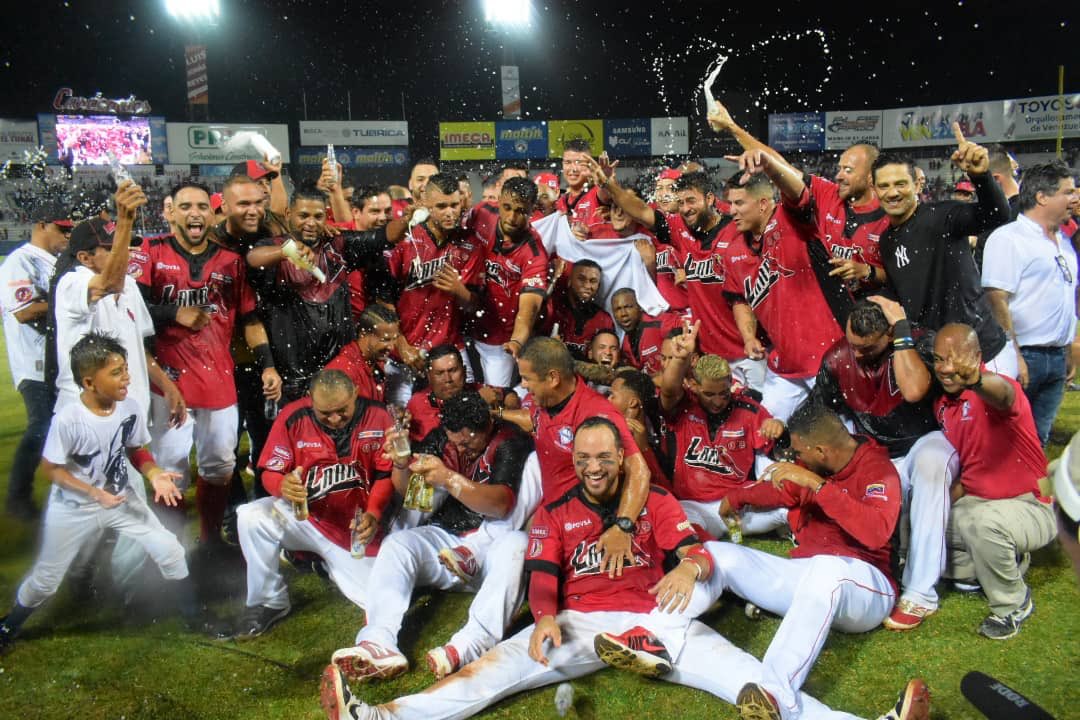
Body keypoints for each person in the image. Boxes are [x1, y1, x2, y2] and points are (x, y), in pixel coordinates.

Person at [319, 417, 928, 720]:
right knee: (488, 674)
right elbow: (541, 575)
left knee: (756, 686)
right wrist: (545, 617)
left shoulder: (655, 502)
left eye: (604, 458)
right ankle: (376, 716)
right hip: (581, 625)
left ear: (619, 458)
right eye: (583, 457)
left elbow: (692, 546)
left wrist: (690, 568)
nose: (593, 467)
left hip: (659, 623)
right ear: (575, 460)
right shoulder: (555, 514)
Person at [0, 333, 213, 653]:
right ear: (89, 382)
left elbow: (134, 449)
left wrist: (154, 474)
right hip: (74, 507)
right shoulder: (69, 419)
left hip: (120, 500)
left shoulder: (128, 407)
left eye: (126, 368)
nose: (127, 377)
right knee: (46, 578)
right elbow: (52, 470)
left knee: (169, 549)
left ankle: (195, 618)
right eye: (116, 372)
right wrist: (93, 493)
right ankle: (8, 625)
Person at [709, 402, 902, 720]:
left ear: (822, 451)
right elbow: (780, 491)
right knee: (719, 554)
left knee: (829, 568)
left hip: (866, 587)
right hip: (813, 579)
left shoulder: (878, 470)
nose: (796, 458)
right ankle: (660, 632)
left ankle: (774, 691)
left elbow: (875, 532)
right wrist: (738, 496)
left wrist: (817, 485)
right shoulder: (816, 466)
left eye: (801, 451)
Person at [329, 390, 534, 682]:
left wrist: (449, 478)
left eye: (467, 442)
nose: (461, 449)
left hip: (491, 552)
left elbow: (500, 504)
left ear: (486, 427)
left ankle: (467, 645)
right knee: (398, 545)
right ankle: (378, 643)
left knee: (518, 546)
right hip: (447, 544)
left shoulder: (509, 440)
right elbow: (408, 492)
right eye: (455, 442)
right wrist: (401, 463)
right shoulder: (443, 438)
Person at [134, 181, 281, 546]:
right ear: (170, 212)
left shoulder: (230, 262)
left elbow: (249, 319)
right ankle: (171, 549)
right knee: (171, 472)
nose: (195, 213)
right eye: (185, 207)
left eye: (202, 206)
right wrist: (173, 312)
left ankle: (210, 542)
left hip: (218, 381)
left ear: (211, 213)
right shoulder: (150, 253)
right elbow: (129, 312)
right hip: (167, 383)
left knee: (220, 468)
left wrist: (266, 364)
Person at [810, 298, 958, 631]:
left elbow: (915, 389)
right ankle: (876, 578)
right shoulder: (837, 358)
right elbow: (822, 413)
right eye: (853, 344)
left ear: (889, 334)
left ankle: (921, 594)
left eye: (867, 347)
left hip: (927, 440)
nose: (857, 353)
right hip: (877, 452)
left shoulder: (917, 341)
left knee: (932, 466)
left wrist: (902, 331)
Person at [231, 370, 395, 638]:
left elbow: (386, 475)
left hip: (353, 529)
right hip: (307, 518)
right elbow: (269, 471)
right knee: (251, 516)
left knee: (382, 599)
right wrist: (280, 485)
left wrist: (374, 512)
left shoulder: (378, 416)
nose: (334, 419)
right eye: (324, 412)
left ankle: (321, 562)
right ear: (311, 400)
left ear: (355, 392)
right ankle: (268, 601)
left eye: (341, 410)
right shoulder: (293, 416)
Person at [931, 324, 1056, 639]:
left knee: (985, 525)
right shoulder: (943, 407)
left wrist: (975, 380)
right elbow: (971, 467)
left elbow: (1003, 394)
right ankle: (1001, 563)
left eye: (955, 359)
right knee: (918, 528)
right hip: (978, 504)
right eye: (938, 359)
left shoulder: (998, 389)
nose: (946, 368)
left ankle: (1013, 604)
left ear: (976, 357)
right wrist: (931, 508)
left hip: (1032, 505)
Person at [593, 162, 754, 387]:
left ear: (709, 199)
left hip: (748, 349)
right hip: (710, 351)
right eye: (680, 203)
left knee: (763, 414)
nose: (685, 208)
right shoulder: (679, 229)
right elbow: (640, 211)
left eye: (691, 201)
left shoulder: (738, 230)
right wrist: (609, 185)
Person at [872, 124, 1015, 377]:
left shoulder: (943, 215)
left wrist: (981, 177)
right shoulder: (886, 240)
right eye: (884, 186)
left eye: (900, 184)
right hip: (939, 358)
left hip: (982, 352)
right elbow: (903, 292)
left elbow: (997, 215)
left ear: (918, 185)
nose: (892, 192)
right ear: (875, 191)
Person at [708, 100, 890, 293]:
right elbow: (783, 167)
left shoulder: (889, 217)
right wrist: (733, 128)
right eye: (839, 169)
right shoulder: (827, 193)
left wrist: (867, 271)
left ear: (871, 176)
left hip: (869, 311)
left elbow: (899, 277)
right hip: (825, 307)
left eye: (848, 170)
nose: (839, 175)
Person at [247, 183, 407, 402]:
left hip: (339, 370)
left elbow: (382, 237)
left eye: (318, 216)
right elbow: (253, 258)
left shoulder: (338, 245)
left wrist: (407, 220)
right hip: (291, 379)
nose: (311, 223)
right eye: (303, 215)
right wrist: (284, 252)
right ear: (288, 213)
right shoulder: (274, 247)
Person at [720, 160, 845, 422]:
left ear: (764, 203)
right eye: (730, 204)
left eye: (739, 203)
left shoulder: (793, 221)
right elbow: (739, 299)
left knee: (841, 436)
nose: (731, 211)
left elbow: (797, 190)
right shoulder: (733, 252)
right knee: (764, 433)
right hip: (784, 363)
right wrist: (748, 336)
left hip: (826, 357)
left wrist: (766, 163)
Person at [517, 337, 650, 572]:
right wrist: (496, 413)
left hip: (585, 521)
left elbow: (638, 470)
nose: (523, 385)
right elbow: (536, 422)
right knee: (517, 548)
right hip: (551, 510)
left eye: (527, 379)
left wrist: (623, 526)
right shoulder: (545, 399)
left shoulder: (596, 413)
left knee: (527, 561)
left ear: (553, 378)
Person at [657, 319, 786, 540]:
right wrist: (679, 359)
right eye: (709, 394)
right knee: (682, 530)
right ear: (694, 386)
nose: (718, 401)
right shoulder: (683, 406)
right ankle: (712, 552)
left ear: (730, 383)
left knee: (788, 509)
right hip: (694, 506)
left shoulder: (749, 410)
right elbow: (668, 392)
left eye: (723, 393)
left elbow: (777, 458)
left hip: (739, 505)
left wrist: (779, 426)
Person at [982, 162, 1078, 445]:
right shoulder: (1009, 238)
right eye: (1067, 192)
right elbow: (995, 297)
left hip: (1055, 356)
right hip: (1023, 354)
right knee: (1008, 439)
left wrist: (1069, 347)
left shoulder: (1063, 241)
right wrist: (1013, 355)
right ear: (1042, 197)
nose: (1075, 198)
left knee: (1039, 440)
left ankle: (1033, 490)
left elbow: (1067, 296)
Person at [382, 173, 486, 402]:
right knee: (399, 423)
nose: (450, 212)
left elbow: (475, 306)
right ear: (425, 204)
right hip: (404, 353)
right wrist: (401, 344)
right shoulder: (405, 240)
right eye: (441, 206)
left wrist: (460, 291)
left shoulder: (470, 244)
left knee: (461, 416)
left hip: (450, 352)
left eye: (454, 205)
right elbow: (382, 299)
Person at [0, 200, 71, 518]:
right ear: (41, 225)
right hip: (34, 361)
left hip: (59, 360)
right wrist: (68, 299)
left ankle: (69, 494)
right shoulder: (20, 261)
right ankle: (18, 499)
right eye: (62, 228)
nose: (67, 234)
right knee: (41, 426)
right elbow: (25, 311)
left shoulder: (55, 260)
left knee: (64, 428)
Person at [469, 176, 549, 387]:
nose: (512, 217)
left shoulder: (535, 253)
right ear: (499, 201)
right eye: (507, 207)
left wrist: (516, 341)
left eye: (521, 211)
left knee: (496, 398)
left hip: (499, 342)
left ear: (533, 210)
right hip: (463, 327)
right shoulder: (482, 213)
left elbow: (528, 309)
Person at [539, 259, 616, 361]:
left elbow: (608, 360)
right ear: (569, 281)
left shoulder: (605, 320)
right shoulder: (553, 308)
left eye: (593, 281)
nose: (588, 286)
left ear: (598, 286)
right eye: (581, 279)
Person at [324, 304, 401, 402]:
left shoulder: (376, 363)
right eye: (385, 340)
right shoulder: (341, 372)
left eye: (394, 339)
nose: (391, 347)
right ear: (363, 333)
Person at [610, 287, 684, 376]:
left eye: (628, 307)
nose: (623, 314)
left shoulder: (661, 323)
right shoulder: (625, 345)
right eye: (618, 309)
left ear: (640, 306)